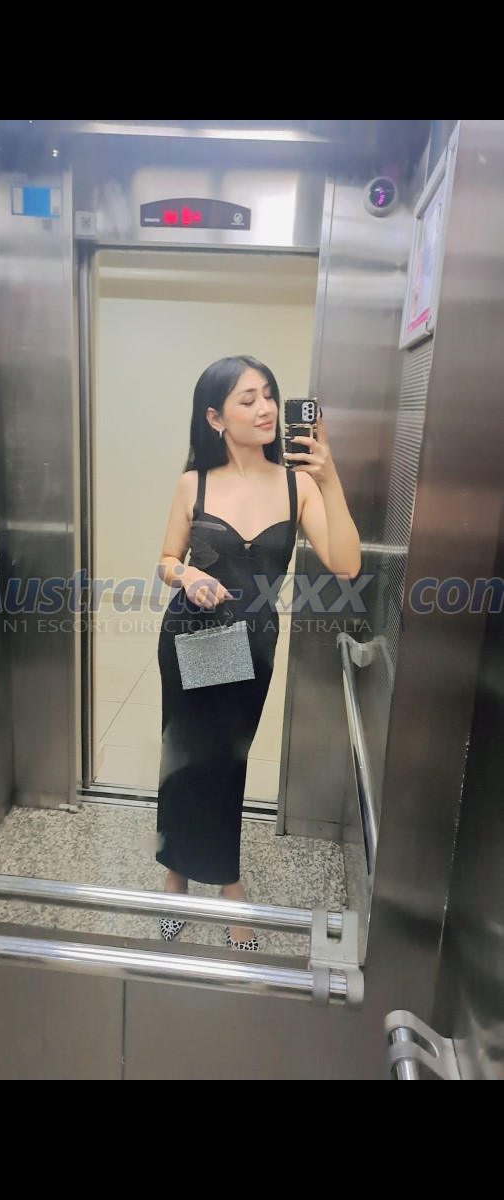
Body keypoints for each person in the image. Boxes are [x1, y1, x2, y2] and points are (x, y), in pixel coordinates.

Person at [156, 355, 361, 949]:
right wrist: (188, 574)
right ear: (215, 417)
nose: (266, 408)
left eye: (269, 394)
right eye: (248, 399)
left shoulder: (298, 485)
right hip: (193, 636)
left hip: (252, 647)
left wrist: (330, 478)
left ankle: (216, 878)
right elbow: (165, 560)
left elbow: (346, 564)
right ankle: (184, 880)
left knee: (227, 762)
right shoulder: (194, 483)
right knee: (185, 757)